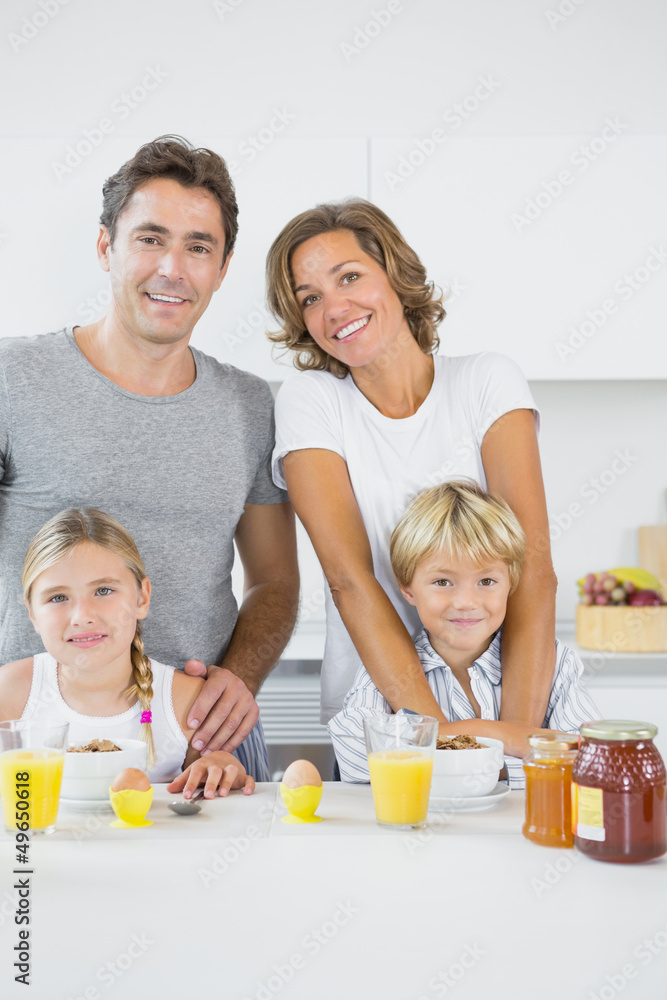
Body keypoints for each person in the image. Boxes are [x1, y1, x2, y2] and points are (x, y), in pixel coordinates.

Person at [0, 136, 299, 761]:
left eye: (199, 248)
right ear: (107, 246)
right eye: (150, 238)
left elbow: (274, 580)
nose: (173, 269)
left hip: (204, 741)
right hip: (37, 739)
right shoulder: (13, 380)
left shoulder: (249, 405)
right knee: (31, 865)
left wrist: (240, 678)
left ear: (221, 268)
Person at [266, 199, 556, 731]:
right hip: (378, 712)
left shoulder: (486, 382)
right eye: (311, 298)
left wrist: (513, 739)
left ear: (395, 275)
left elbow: (532, 567)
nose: (334, 309)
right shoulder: (311, 401)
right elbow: (349, 580)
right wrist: (441, 741)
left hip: (501, 701)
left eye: (349, 276)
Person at [328, 482, 598, 786]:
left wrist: (440, 748)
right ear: (408, 588)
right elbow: (353, 754)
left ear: (511, 583)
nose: (466, 602)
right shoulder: (385, 668)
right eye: (443, 582)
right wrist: (501, 735)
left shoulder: (557, 664)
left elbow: (589, 761)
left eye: (486, 581)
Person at [0, 508, 259, 794]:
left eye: (103, 591)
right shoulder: (10, 693)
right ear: (32, 614)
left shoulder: (186, 702)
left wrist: (221, 765)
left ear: (142, 598)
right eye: (58, 597)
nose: (82, 616)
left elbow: (217, 782)